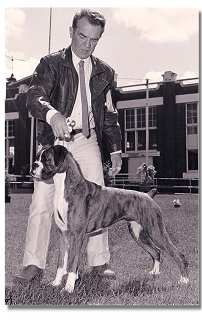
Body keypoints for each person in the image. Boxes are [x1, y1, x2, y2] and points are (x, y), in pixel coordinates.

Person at [14, 8, 122, 284]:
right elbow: (34, 96)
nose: (87, 45)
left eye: (94, 40)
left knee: (97, 201)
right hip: (56, 143)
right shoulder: (50, 64)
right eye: (83, 37)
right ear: (71, 32)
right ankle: (33, 265)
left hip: (88, 141)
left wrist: (115, 150)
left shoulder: (105, 72)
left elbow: (109, 114)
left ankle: (99, 262)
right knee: (41, 202)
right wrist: (53, 115)